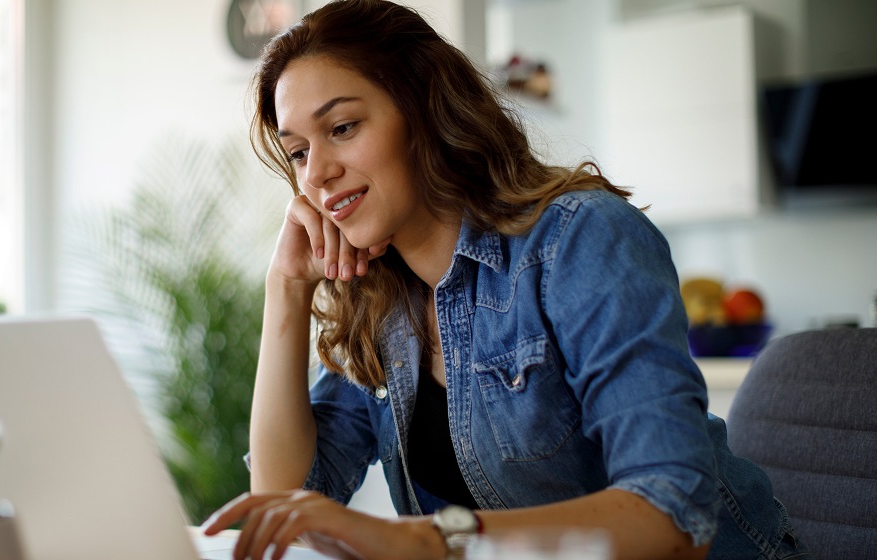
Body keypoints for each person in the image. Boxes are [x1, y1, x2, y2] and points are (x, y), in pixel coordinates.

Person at [202, 1, 809, 559]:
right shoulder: (382, 299)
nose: (318, 175)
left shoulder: (580, 241)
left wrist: (431, 540)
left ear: (423, 109)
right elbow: (289, 505)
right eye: (299, 152)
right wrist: (286, 292)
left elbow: (673, 514)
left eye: (342, 128)